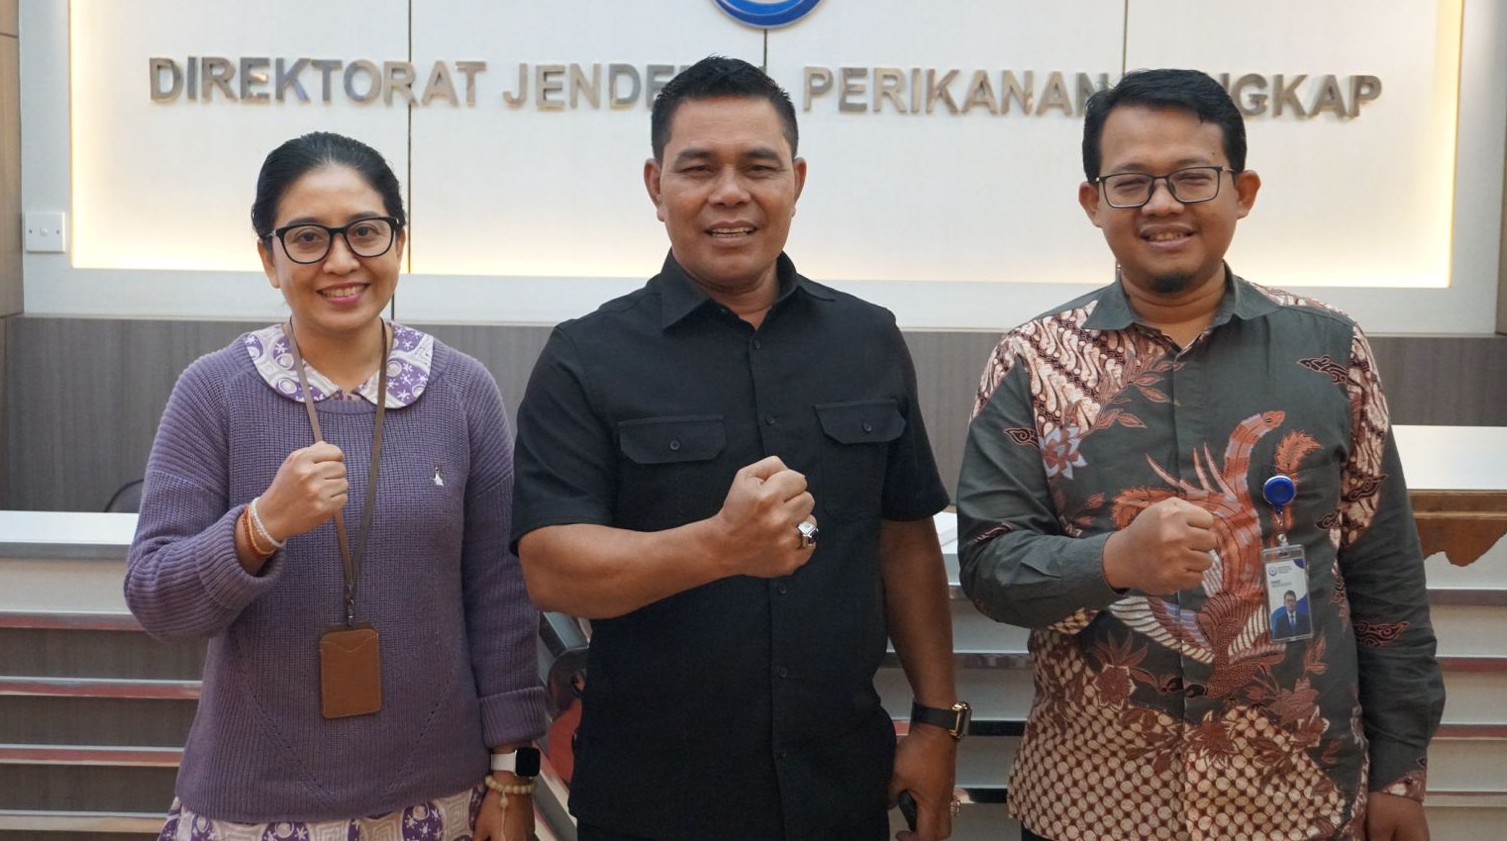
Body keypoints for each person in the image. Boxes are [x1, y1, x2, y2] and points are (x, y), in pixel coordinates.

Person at [957, 69, 1444, 841]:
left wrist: (1400, 774)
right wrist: (1114, 559)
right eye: (1131, 182)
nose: (1162, 203)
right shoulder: (1032, 361)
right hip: (1095, 802)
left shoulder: (1330, 350)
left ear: (1243, 190)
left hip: (1297, 798)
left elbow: (1384, 583)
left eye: (1191, 177)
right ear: (1092, 202)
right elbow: (990, 566)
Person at [512, 56, 961, 841]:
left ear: (797, 178)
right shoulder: (586, 356)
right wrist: (719, 546)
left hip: (841, 788)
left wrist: (934, 722)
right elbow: (550, 564)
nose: (730, 192)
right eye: (698, 167)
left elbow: (904, 541)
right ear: (656, 185)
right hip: (654, 797)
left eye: (759, 166)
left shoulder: (869, 339)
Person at [126, 132, 544, 841]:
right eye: (309, 238)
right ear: (268, 257)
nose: (342, 260)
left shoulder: (462, 390)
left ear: (400, 244)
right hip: (252, 800)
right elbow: (157, 599)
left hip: (437, 795)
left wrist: (513, 772)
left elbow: (501, 596)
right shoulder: (215, 391)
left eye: (365, 232)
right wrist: (258, 526)